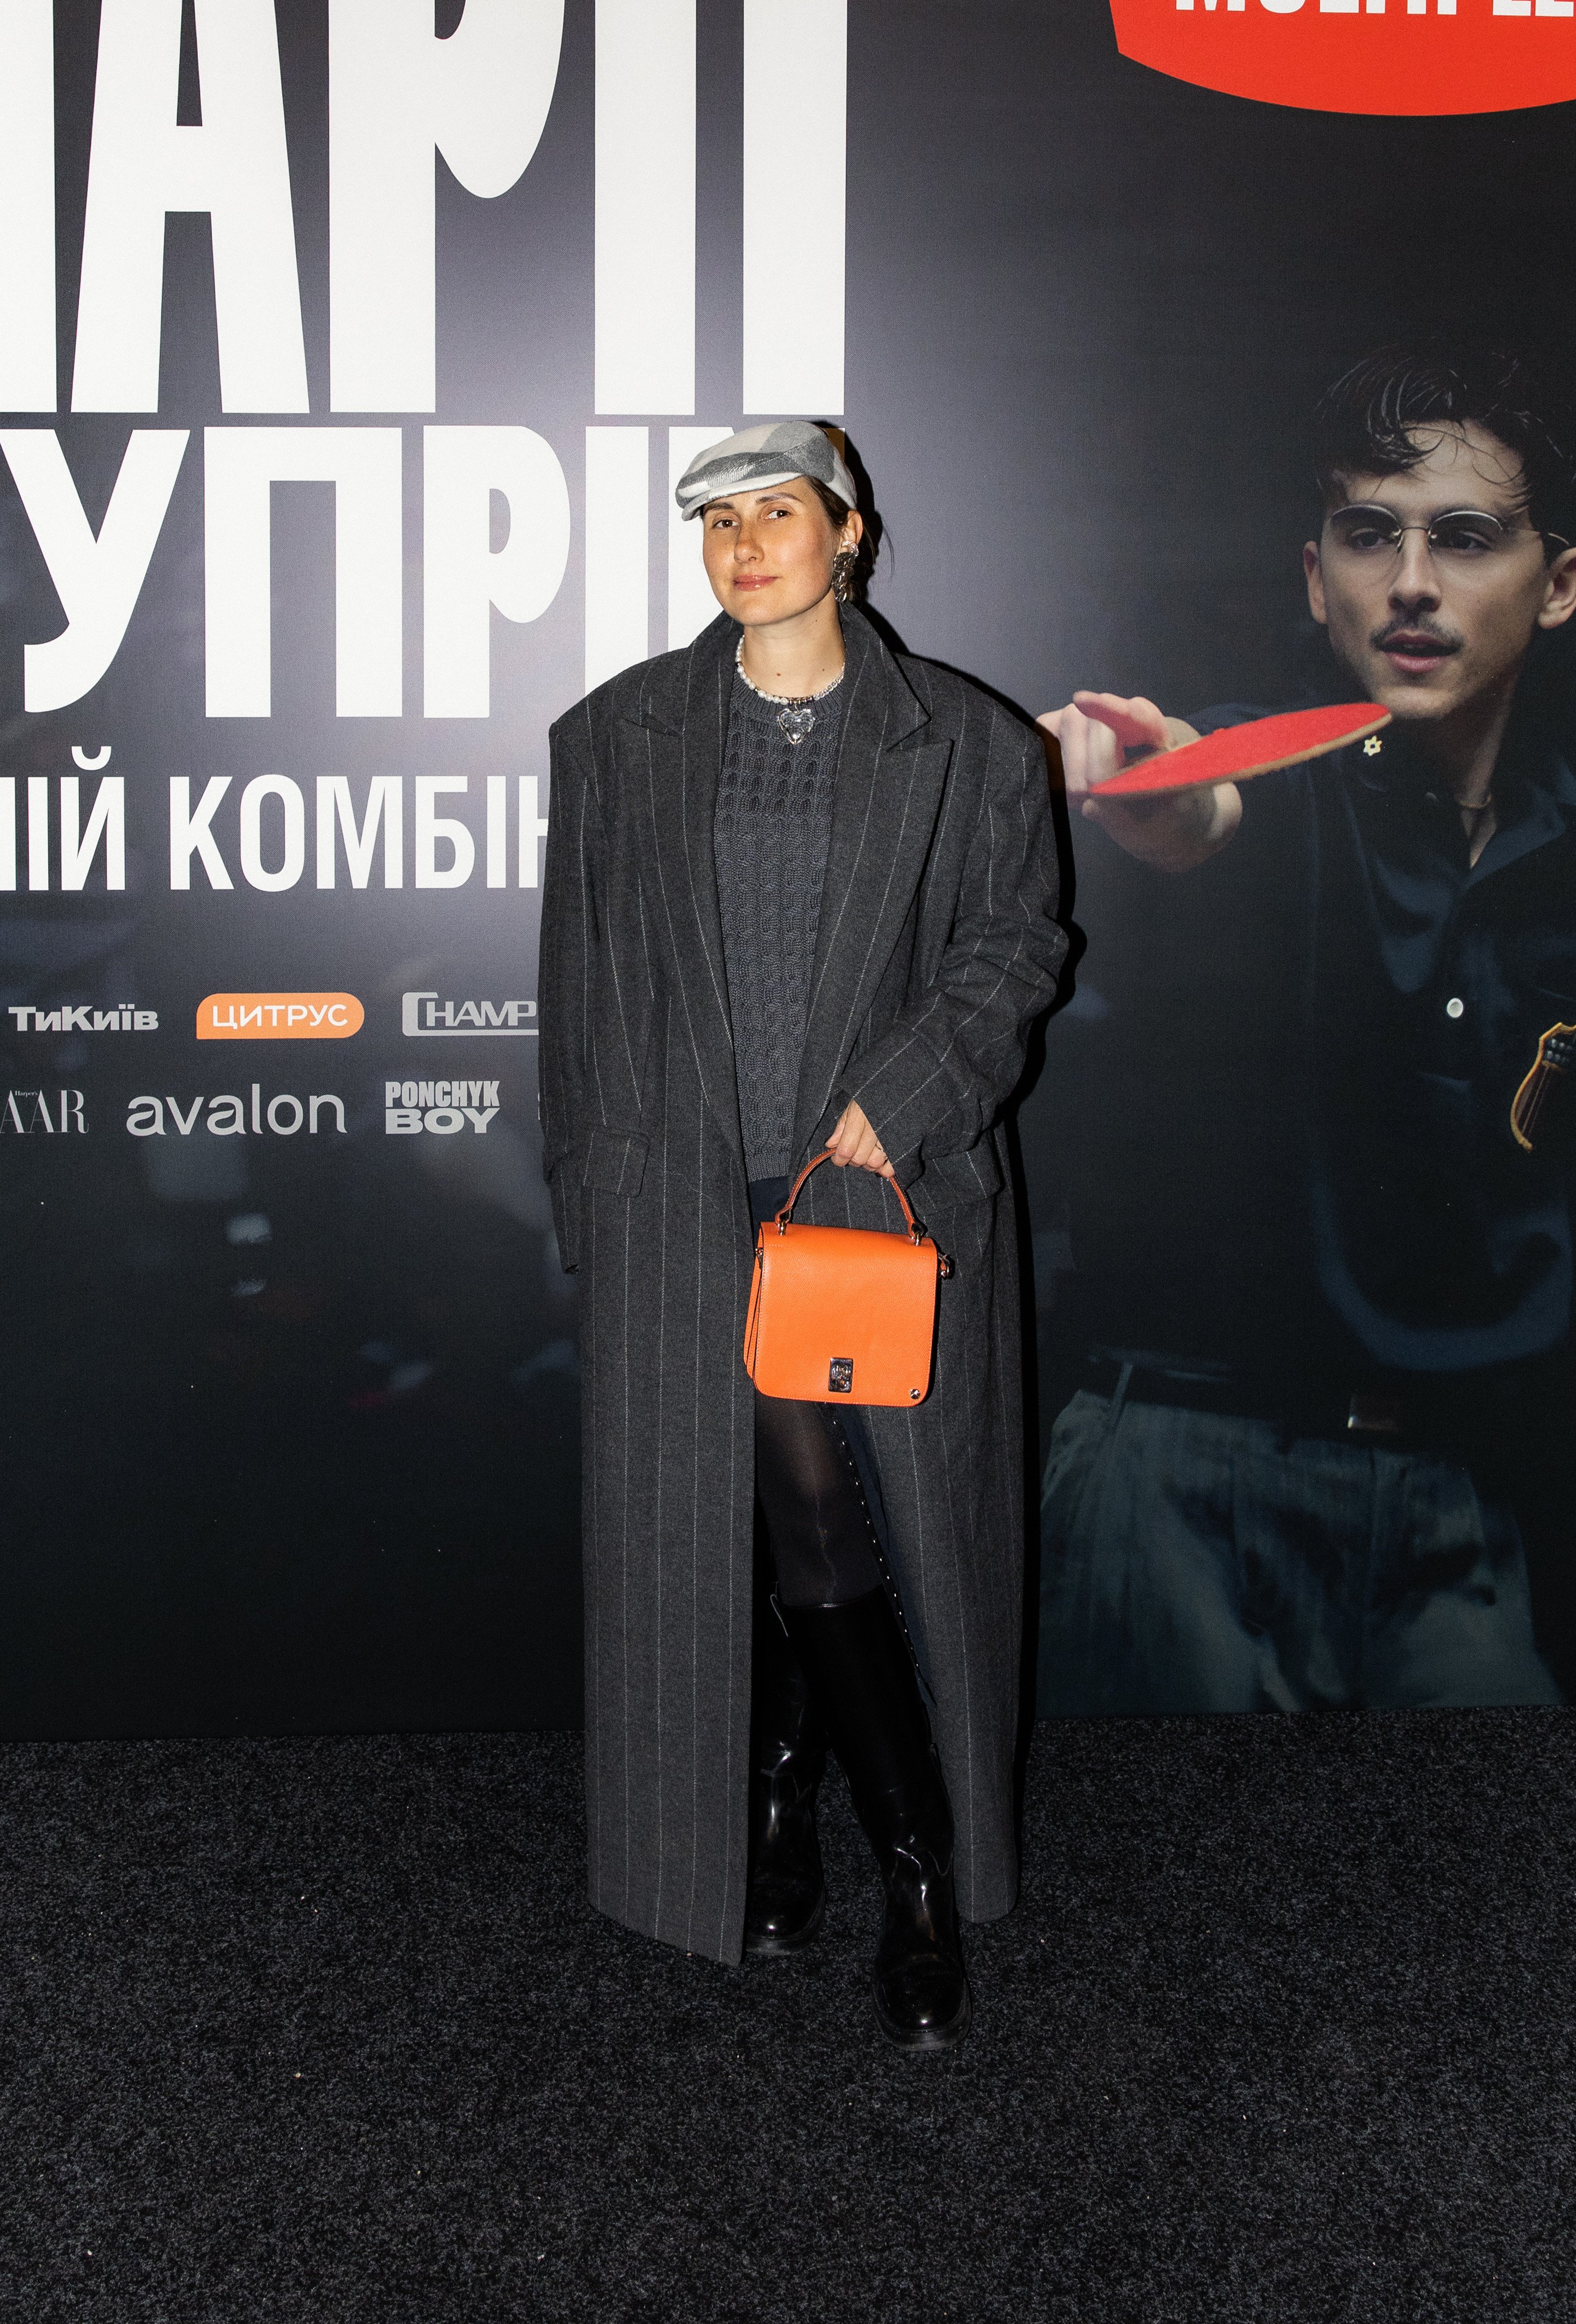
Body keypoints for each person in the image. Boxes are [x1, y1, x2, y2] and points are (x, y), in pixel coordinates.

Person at [1039, 347, 1576, 1714]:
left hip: (1459, 1506)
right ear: (1314, 578)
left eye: (1462, 538)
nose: (1408, 581)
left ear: (1558, 584)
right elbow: (1200, 798)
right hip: (1178, 1474)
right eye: (1366, 536)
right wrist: (1150, 789)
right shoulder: (1275, 775)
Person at [538, 420, 1072, 2047]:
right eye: (718, 521)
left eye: (777, 512)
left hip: (870, 1194)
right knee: (782, 1519)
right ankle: (850, 1832)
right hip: (681, 1203)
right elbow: (579, 991)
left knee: (829, 1523)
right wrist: (588, 1196)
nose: (744, 545)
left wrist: (901, 1093)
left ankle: (873, 1841)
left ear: (849, 533)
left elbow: (1018, 945)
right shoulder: (614, 735)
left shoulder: (968, 743)